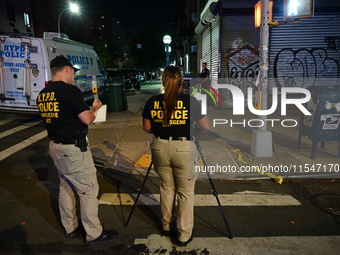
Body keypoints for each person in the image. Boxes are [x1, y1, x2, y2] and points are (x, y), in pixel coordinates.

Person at [36, 55, 118, 246]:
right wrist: (95, 108)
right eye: (72, 71)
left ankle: (70, 227)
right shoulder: (70, 91)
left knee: (65, 186)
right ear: (66, 69)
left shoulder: (43, 94)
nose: (73, 75)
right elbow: (87, 118)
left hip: (55, 146)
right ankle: (93, 233)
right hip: (73, 149)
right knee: (88, 189)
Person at [142, 65, 210, 246]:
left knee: (166, 188)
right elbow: (206, 127)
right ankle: (183, 234)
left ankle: (166, 224)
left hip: (160, 147)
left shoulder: (153, 101)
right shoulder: (191, 101)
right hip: (184, 148)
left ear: (163, 80)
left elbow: (147, 128)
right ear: (182, 82)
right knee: (185, 192)